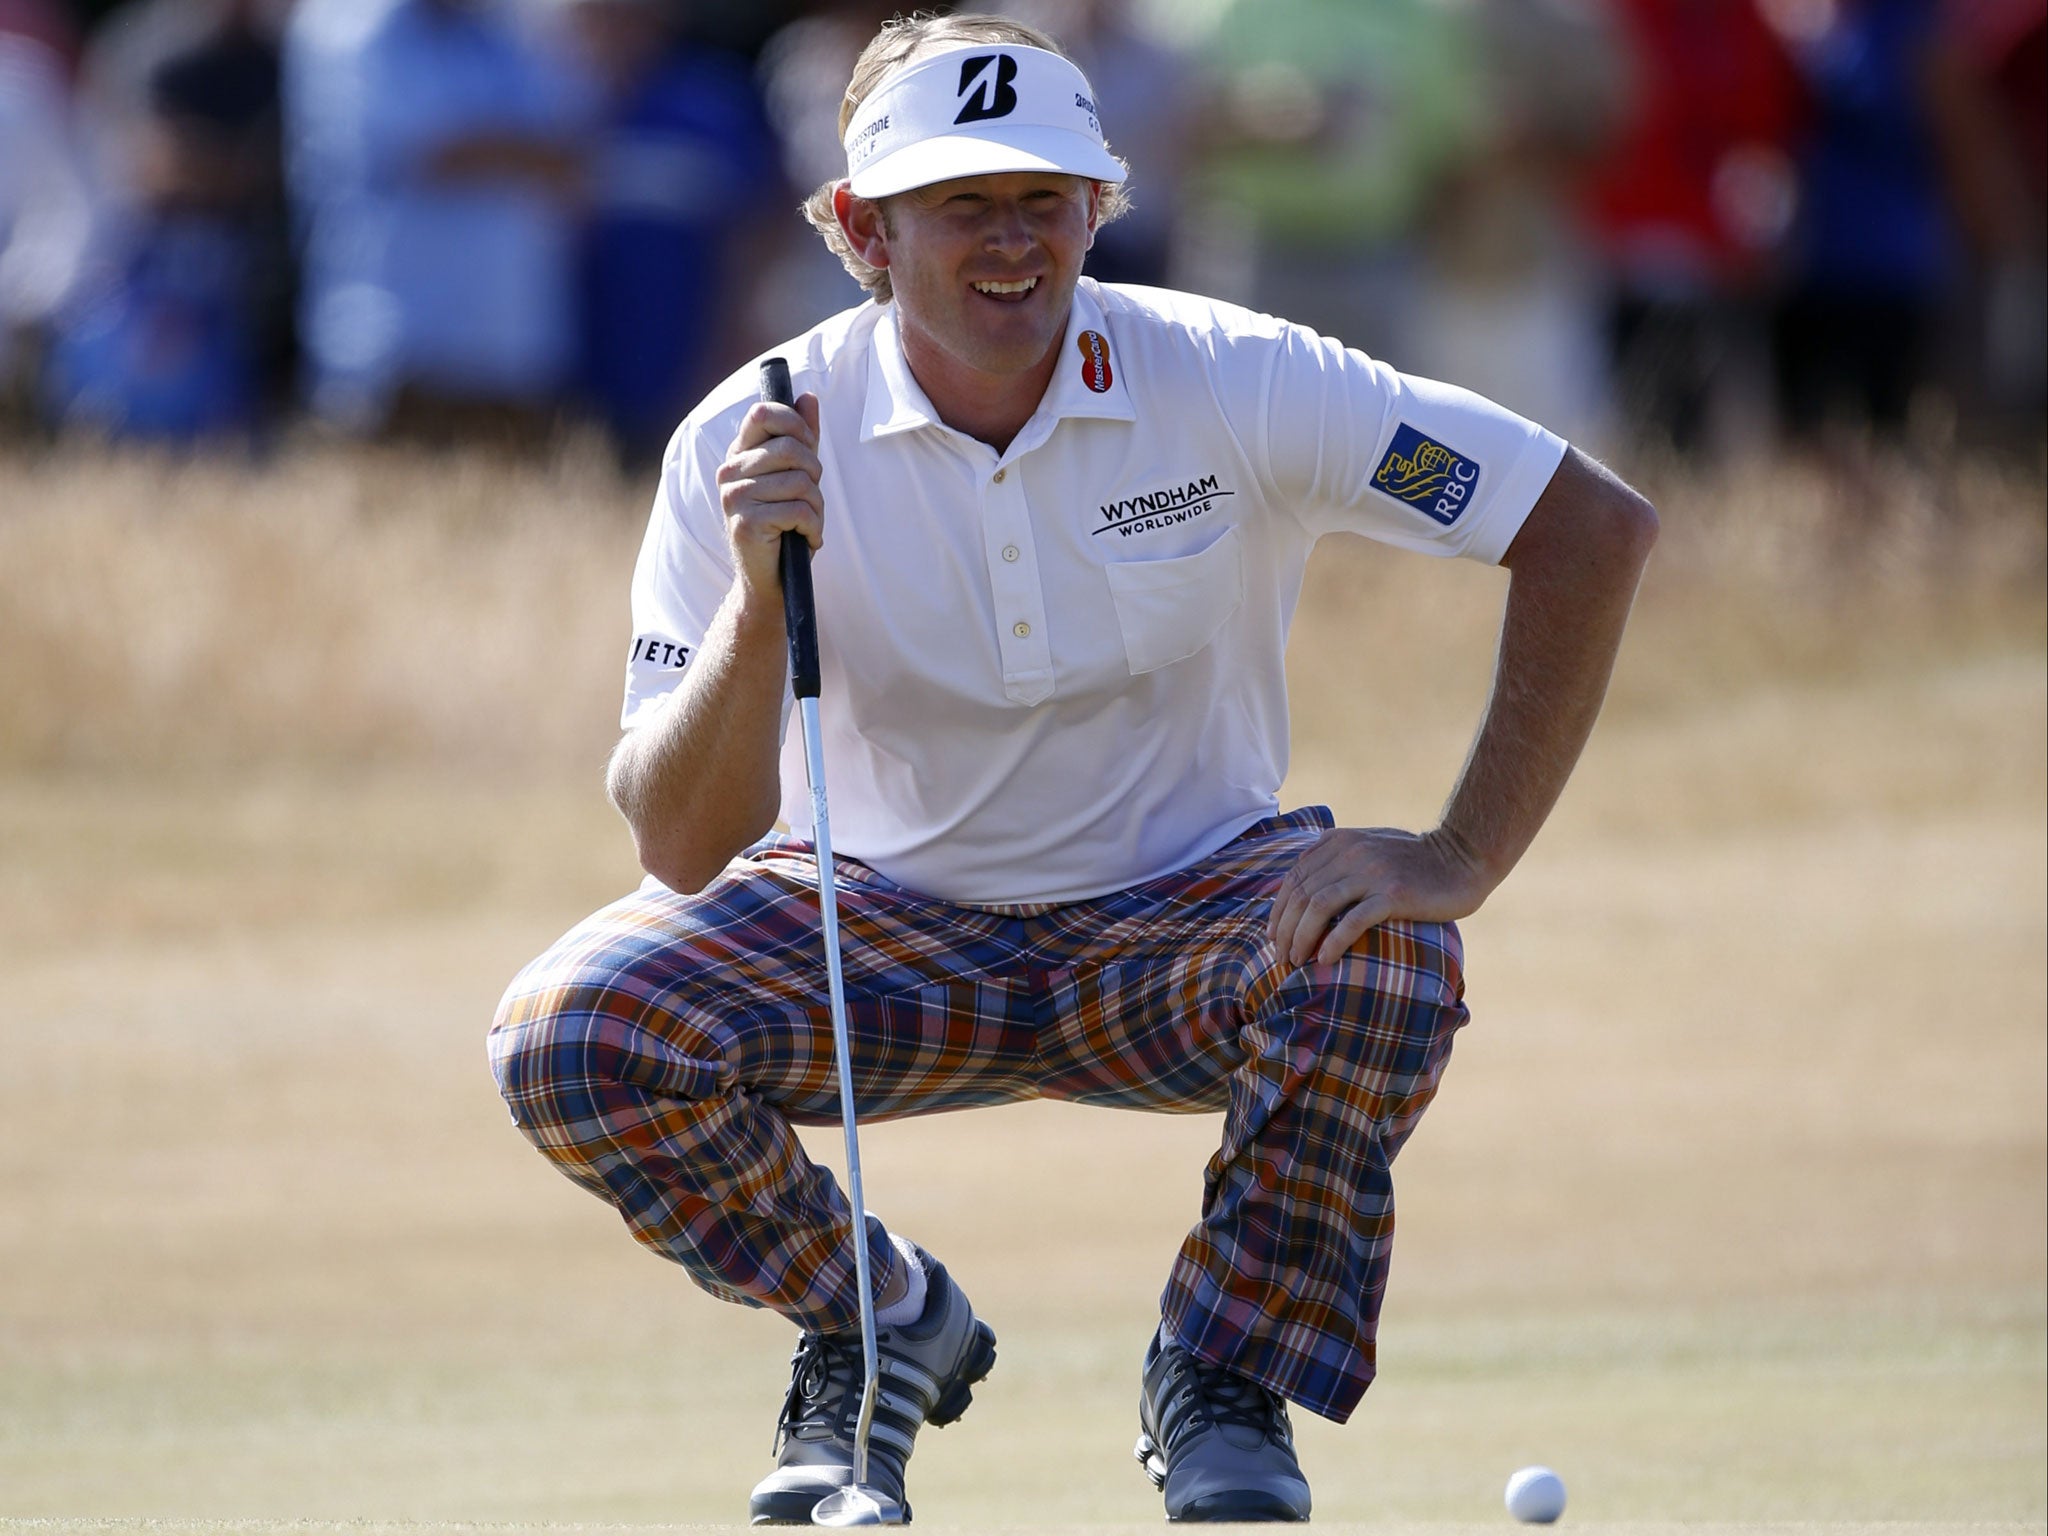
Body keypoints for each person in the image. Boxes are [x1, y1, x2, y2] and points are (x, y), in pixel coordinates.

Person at [490, 12, 1657, 1525]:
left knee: (1389, 955)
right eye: (962, 203)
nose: (1013, 242)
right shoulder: (750, 432)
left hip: (1185, 925)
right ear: (861, 229)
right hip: (881, 933)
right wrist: (759, 585)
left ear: (1101, 208)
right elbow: (681, 840)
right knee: (572, 1032)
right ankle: (881, 1325)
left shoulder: (1233, 374)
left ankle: (1221, 1381)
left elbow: (1584, 526)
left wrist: (1464, 852)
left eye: (1046, 198)